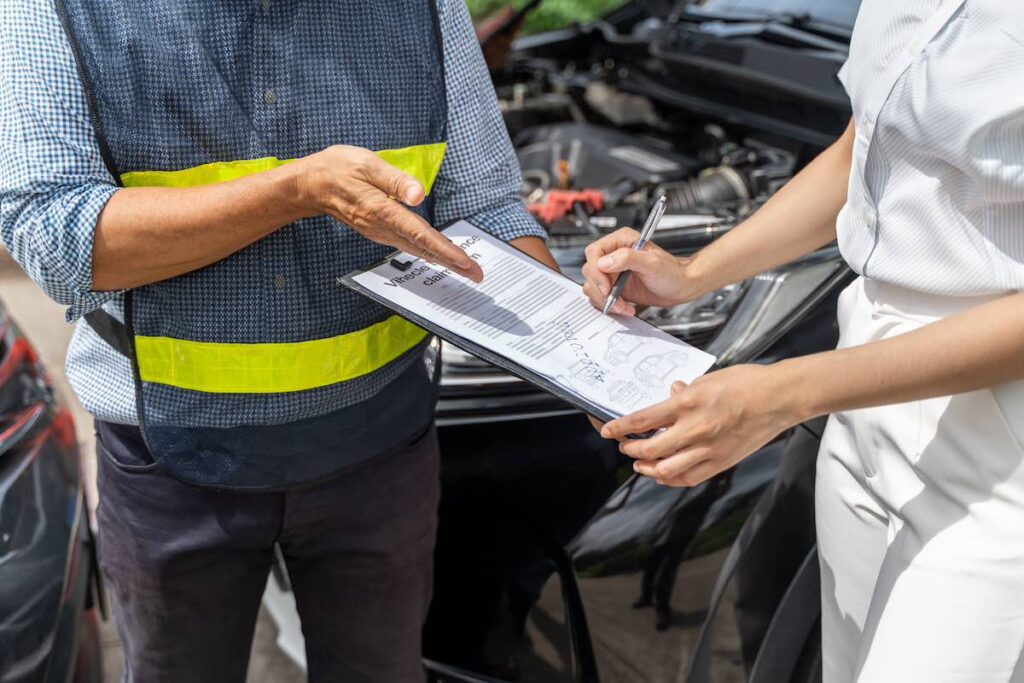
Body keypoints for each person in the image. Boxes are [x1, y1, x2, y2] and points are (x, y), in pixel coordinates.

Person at [0, 0, 555, 681]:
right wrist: (292, 192)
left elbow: (486, 205)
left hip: (381, 452)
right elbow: (57, 239)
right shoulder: (58, 10)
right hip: (171, 458)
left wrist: (591, 355)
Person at [581, 1, 1024, 680]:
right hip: (859, 398)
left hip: (995, 445)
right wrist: (692, 274)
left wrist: (786, 394)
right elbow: (863, 150)